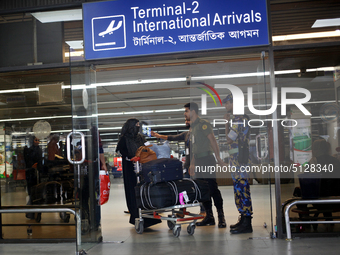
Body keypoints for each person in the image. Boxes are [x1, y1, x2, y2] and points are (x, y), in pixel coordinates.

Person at [185, 102, 226, 228]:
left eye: (186, 111)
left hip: (207, 159)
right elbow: (194, 148)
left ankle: (221, 217)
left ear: (193, 112)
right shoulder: (192, 128)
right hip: (198, 161)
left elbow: (212, 140)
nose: (185, 114)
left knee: (212, 188)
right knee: (202, 190)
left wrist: (218, 157)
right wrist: (192, 164)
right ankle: (209, 217)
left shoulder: (204, 124)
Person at [116, 118, 161, 228]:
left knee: (145, 189)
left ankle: (149, 216)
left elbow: (148, 147)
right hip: (131, 168)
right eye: (136, 124)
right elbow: (120, 151)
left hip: (143, 167)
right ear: (131, 126)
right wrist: (131, 157)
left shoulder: (141, 137)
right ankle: (136, 215)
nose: (138, 126)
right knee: (133, 190)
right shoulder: (124, 139)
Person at [223, 94, 253, 234]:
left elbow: (229, 139)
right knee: (238, 189)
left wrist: (227, 123)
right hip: (236, 161)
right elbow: (229, 137)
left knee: (242, 189)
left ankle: (247, 222)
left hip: (240, 161)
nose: (226, 106)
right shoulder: (237, 119)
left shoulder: (240, 118)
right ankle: (243, 218)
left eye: (227, 103)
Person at [24, 136, 43, 219]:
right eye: (36, 140)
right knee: (31, 193)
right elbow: (27, 161)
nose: (37, 142)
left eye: (38, 140)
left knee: (37, 193)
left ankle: (35, 212)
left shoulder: (39, 150)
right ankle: (31, 212)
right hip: (31, 173)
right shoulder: (29, 150)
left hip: (37, 173)